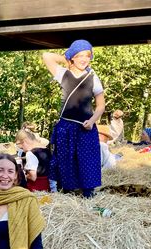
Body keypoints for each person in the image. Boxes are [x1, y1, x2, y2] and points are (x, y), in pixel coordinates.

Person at [43, 39, 105, 198]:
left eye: (87, 55)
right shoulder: (63, 74)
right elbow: (46, 56)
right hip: (65, 128)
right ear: (73, 57)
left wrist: (92, 121)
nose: (84, 59)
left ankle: (88, 195)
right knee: (65, 162)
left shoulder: (93, 77)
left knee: (87, 163)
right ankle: (68, 195)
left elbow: (100, 106)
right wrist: (68, 58)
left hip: (86, 128)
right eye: (79, 55)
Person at [15, 127, 51, 192]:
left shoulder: (30, 154)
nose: (22, 150)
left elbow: (33, 177)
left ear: (24, 142)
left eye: (22, 148)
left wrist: (23, 176)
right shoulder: (46, 150)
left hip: (36, 189)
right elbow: (39, 160)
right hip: (47, 187)